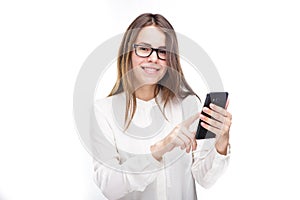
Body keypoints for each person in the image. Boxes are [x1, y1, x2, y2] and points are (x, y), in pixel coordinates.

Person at [91, 13, 232, 200]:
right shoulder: (104, 111)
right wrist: (159, 149)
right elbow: (109, 187)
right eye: (144, 49)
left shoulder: (187, 104)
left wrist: (221, 143)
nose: (153, 58)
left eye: (162, 51)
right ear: (128, 52)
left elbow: (204, 178)